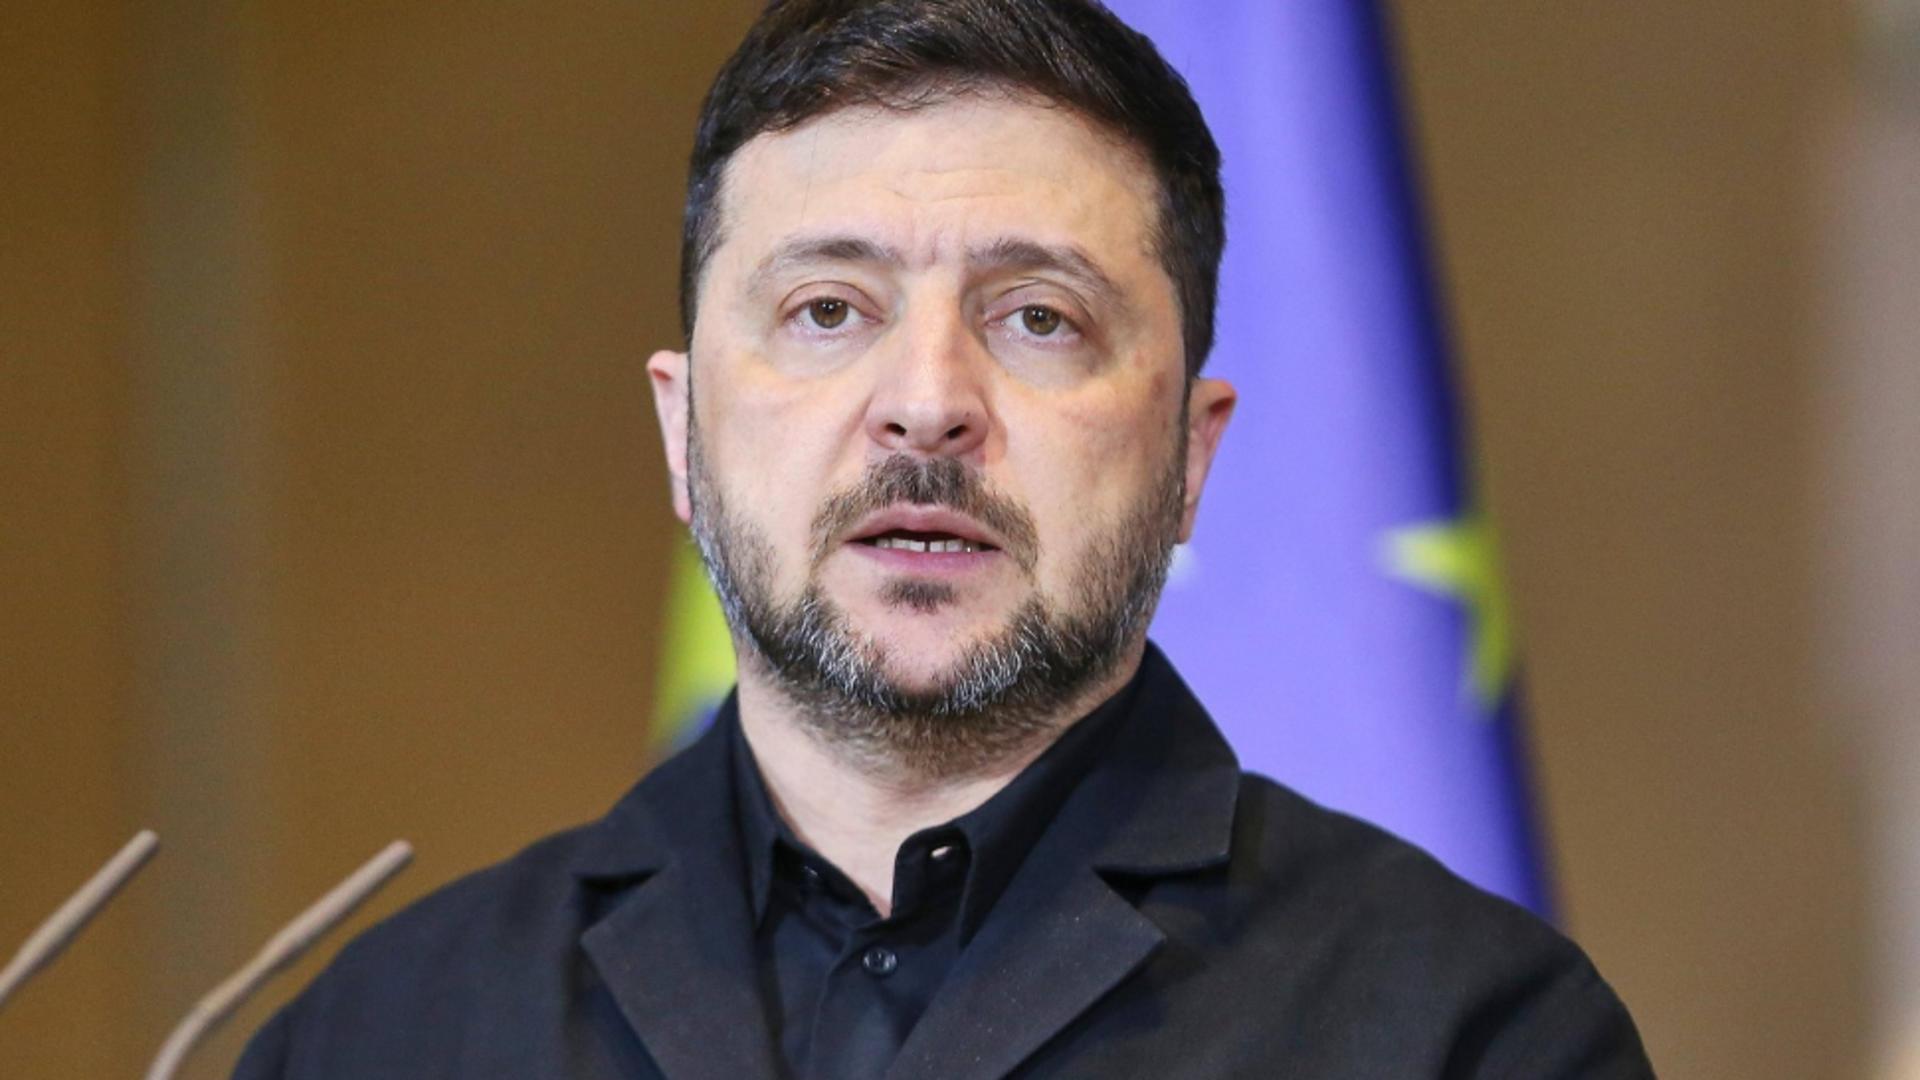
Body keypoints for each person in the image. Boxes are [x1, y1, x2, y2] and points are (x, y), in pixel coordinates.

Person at [236, 1, 1653, 1076]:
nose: (926, 403)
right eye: (827, 310)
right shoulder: (384, 1034)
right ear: (682, 430)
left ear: (1191, 456)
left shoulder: (1469, 1033)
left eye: (1038, 317)